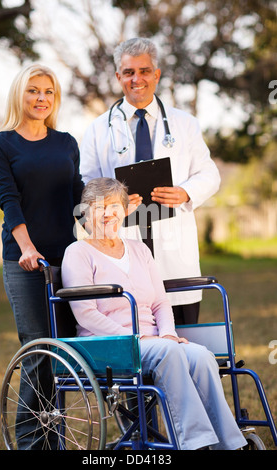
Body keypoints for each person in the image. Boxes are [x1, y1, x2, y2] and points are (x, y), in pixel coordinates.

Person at [61, 177, 247, 450]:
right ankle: (195, 444)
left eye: (115, 206)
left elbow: (160, 302)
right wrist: (136, 338)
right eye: (99, 207)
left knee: (201, 356)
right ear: (85, 213)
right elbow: (85, 314)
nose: (108, 213)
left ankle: (229, 444)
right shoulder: (78, 252)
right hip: (108, 345)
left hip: (154, 341)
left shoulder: (139, 250)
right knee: (168, 352)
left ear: (125, 211)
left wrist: (169, 334)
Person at [80, 37, 221, 325]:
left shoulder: (185, 123)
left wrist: (184, 192)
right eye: (129, 72)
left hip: (174, 247)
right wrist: (112, 203)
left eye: (144, 71)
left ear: (156, 74)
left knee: (182, 339)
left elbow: (210, 174)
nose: (137, 79)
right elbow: (87, 184)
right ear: (119, 76)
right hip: (123, 240)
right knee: (137, 334)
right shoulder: (97, 129)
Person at [0, 63, 84, 449]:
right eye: (33, 91)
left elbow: (78, 196)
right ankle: (30, 443)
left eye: (48, 92)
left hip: (70, 260)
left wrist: (112, 208)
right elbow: (9, 201)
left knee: (65, 354)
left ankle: (54, 438)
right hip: (26, 263)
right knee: (39, 352)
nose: (41, 98)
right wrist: (27, 247)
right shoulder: (1, 144)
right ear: (19, 94)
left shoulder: (66, 143)